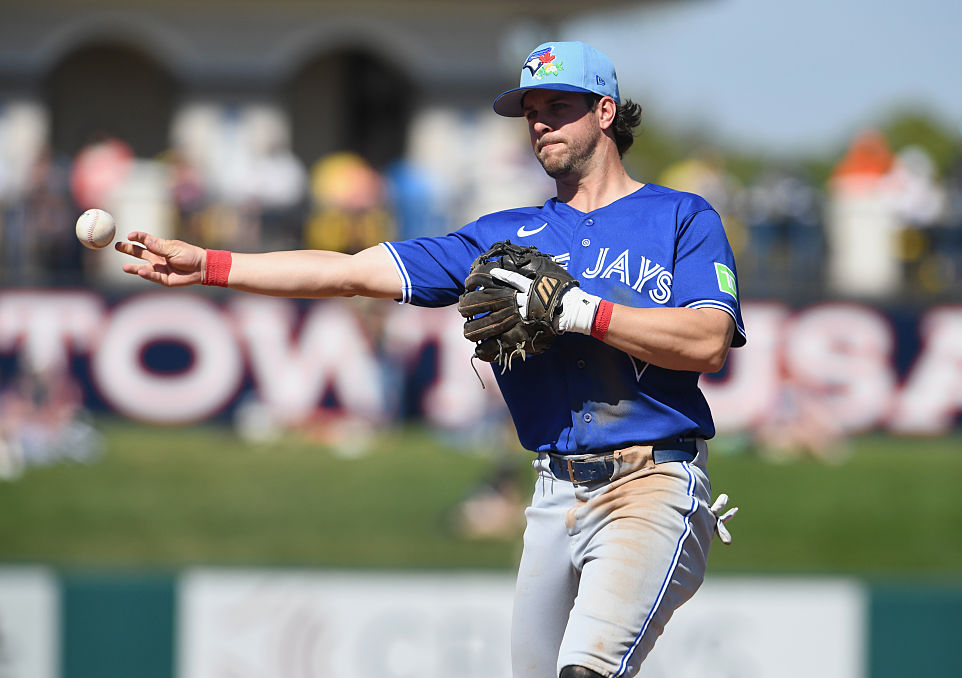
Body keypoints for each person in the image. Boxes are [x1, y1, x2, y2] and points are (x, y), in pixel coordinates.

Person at [116, 40, 746, 678]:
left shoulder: (680, 217)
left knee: (585, 671)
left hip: (652, 482)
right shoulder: (504, 236)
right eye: (531, 110)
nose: (541, 123)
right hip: (554, 492)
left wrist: (583, 311)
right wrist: (213, 264)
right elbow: (352, 273)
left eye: (560, 106)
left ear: (605, 112)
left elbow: (708, 341)